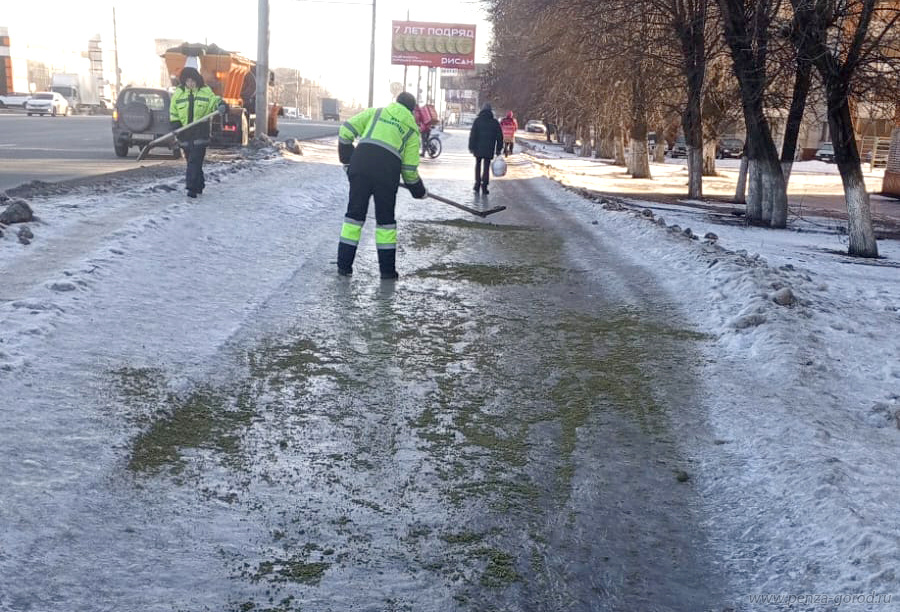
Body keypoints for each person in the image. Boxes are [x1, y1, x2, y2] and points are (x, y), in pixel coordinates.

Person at [336, 91, 427, 280]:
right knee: (385, 222)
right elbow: (409, 170)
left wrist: (348, 160)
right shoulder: (411, 129)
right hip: (387, 175)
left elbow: (345, 131)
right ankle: (387, 271)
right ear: (411, 110)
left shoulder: (376, 113)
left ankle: (344, 266)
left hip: (360, 167)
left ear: (396, 102)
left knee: (354, 217)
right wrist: (418, 190)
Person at [168, 66, 227, 198]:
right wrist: (175, 125)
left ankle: (192, 188)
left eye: (192, 80)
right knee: (191, 161)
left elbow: (214, 101)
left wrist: (221, 104)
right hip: (184, 132)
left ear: (197, 79)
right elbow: (173, 111)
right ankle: (199, 184)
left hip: (200, 131)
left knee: (195, 160)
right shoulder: (179, 93)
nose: (190, 83)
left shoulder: (205, 91)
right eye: (187, 81)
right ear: (184, 81)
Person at [468, 103, 504, 194]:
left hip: (478, 148)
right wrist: (498, 149)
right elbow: (500, 137)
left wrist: (471, 146)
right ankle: (484, 186)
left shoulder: (477, 121)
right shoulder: (494, 122)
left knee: (478, 165)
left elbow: (473, 135)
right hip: (489, 149)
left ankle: (477, 184)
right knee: (486, 167)